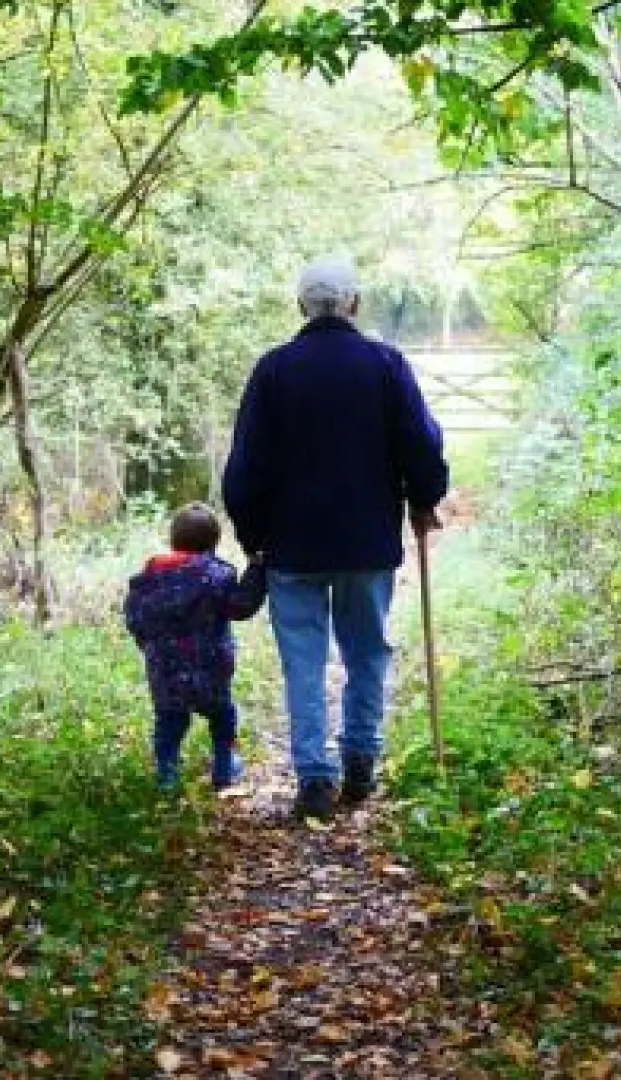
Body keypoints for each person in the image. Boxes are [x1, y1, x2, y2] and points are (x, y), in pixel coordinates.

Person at [223, 254, 449, 822]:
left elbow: (244, 469)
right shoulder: (385, 364)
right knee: (367, 651)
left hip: (292, 548)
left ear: (302, 305)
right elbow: (420, 443)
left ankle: (314, 780)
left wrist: (254, 540)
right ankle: (360, 762)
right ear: (354, 303)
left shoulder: (273, 371)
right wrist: (425, 497)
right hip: (367, 541)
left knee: (303, 662)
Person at [123, 502, 268, 791]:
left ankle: (167, 775)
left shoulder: (148, 580)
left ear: (173, 539)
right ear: (214, 542)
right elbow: (240, 606)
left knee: (169, 721)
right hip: (211, 667)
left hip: (164, 670)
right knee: (222, 716)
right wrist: (257, 571)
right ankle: (224, 768)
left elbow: (135, 618)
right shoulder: (217, 576)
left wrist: (148, 646)